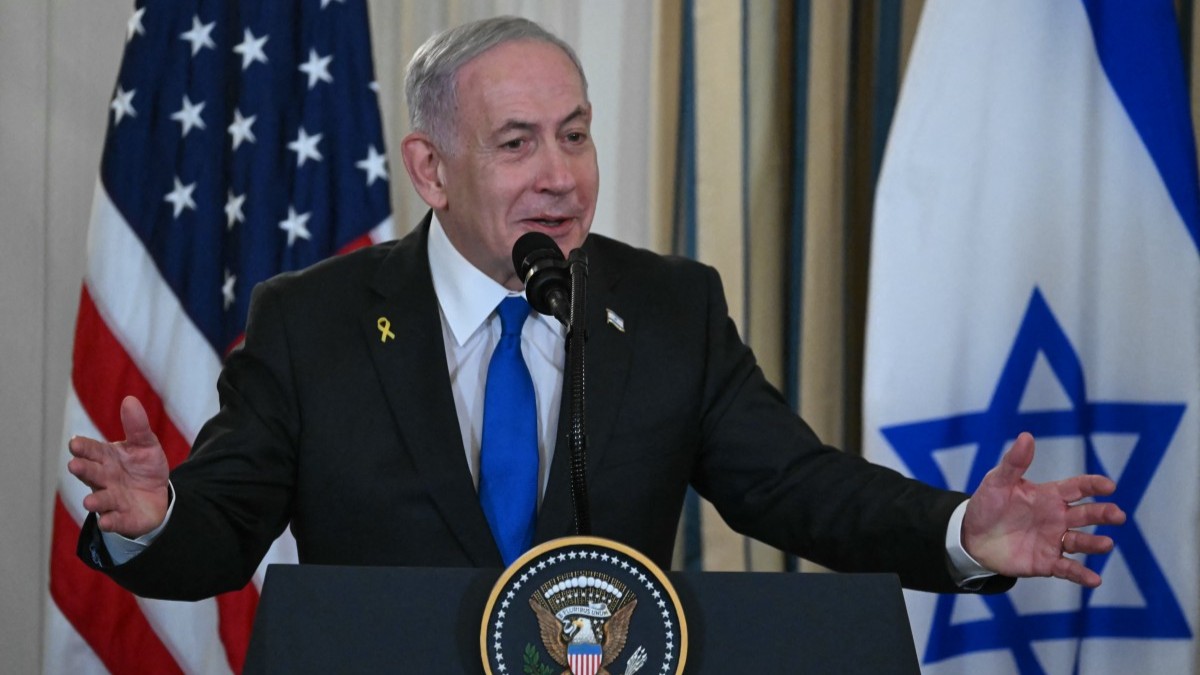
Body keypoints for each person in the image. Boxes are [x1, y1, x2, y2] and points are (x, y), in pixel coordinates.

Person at [68, 16, 1124, 601]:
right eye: (518, 142)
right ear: (430, 169)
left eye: (575, 134)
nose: (562, 176)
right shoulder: (314, 320)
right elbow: (222, 533)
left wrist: (956, 531)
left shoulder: (668, 308)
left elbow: (797, 489)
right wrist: (157, 519)